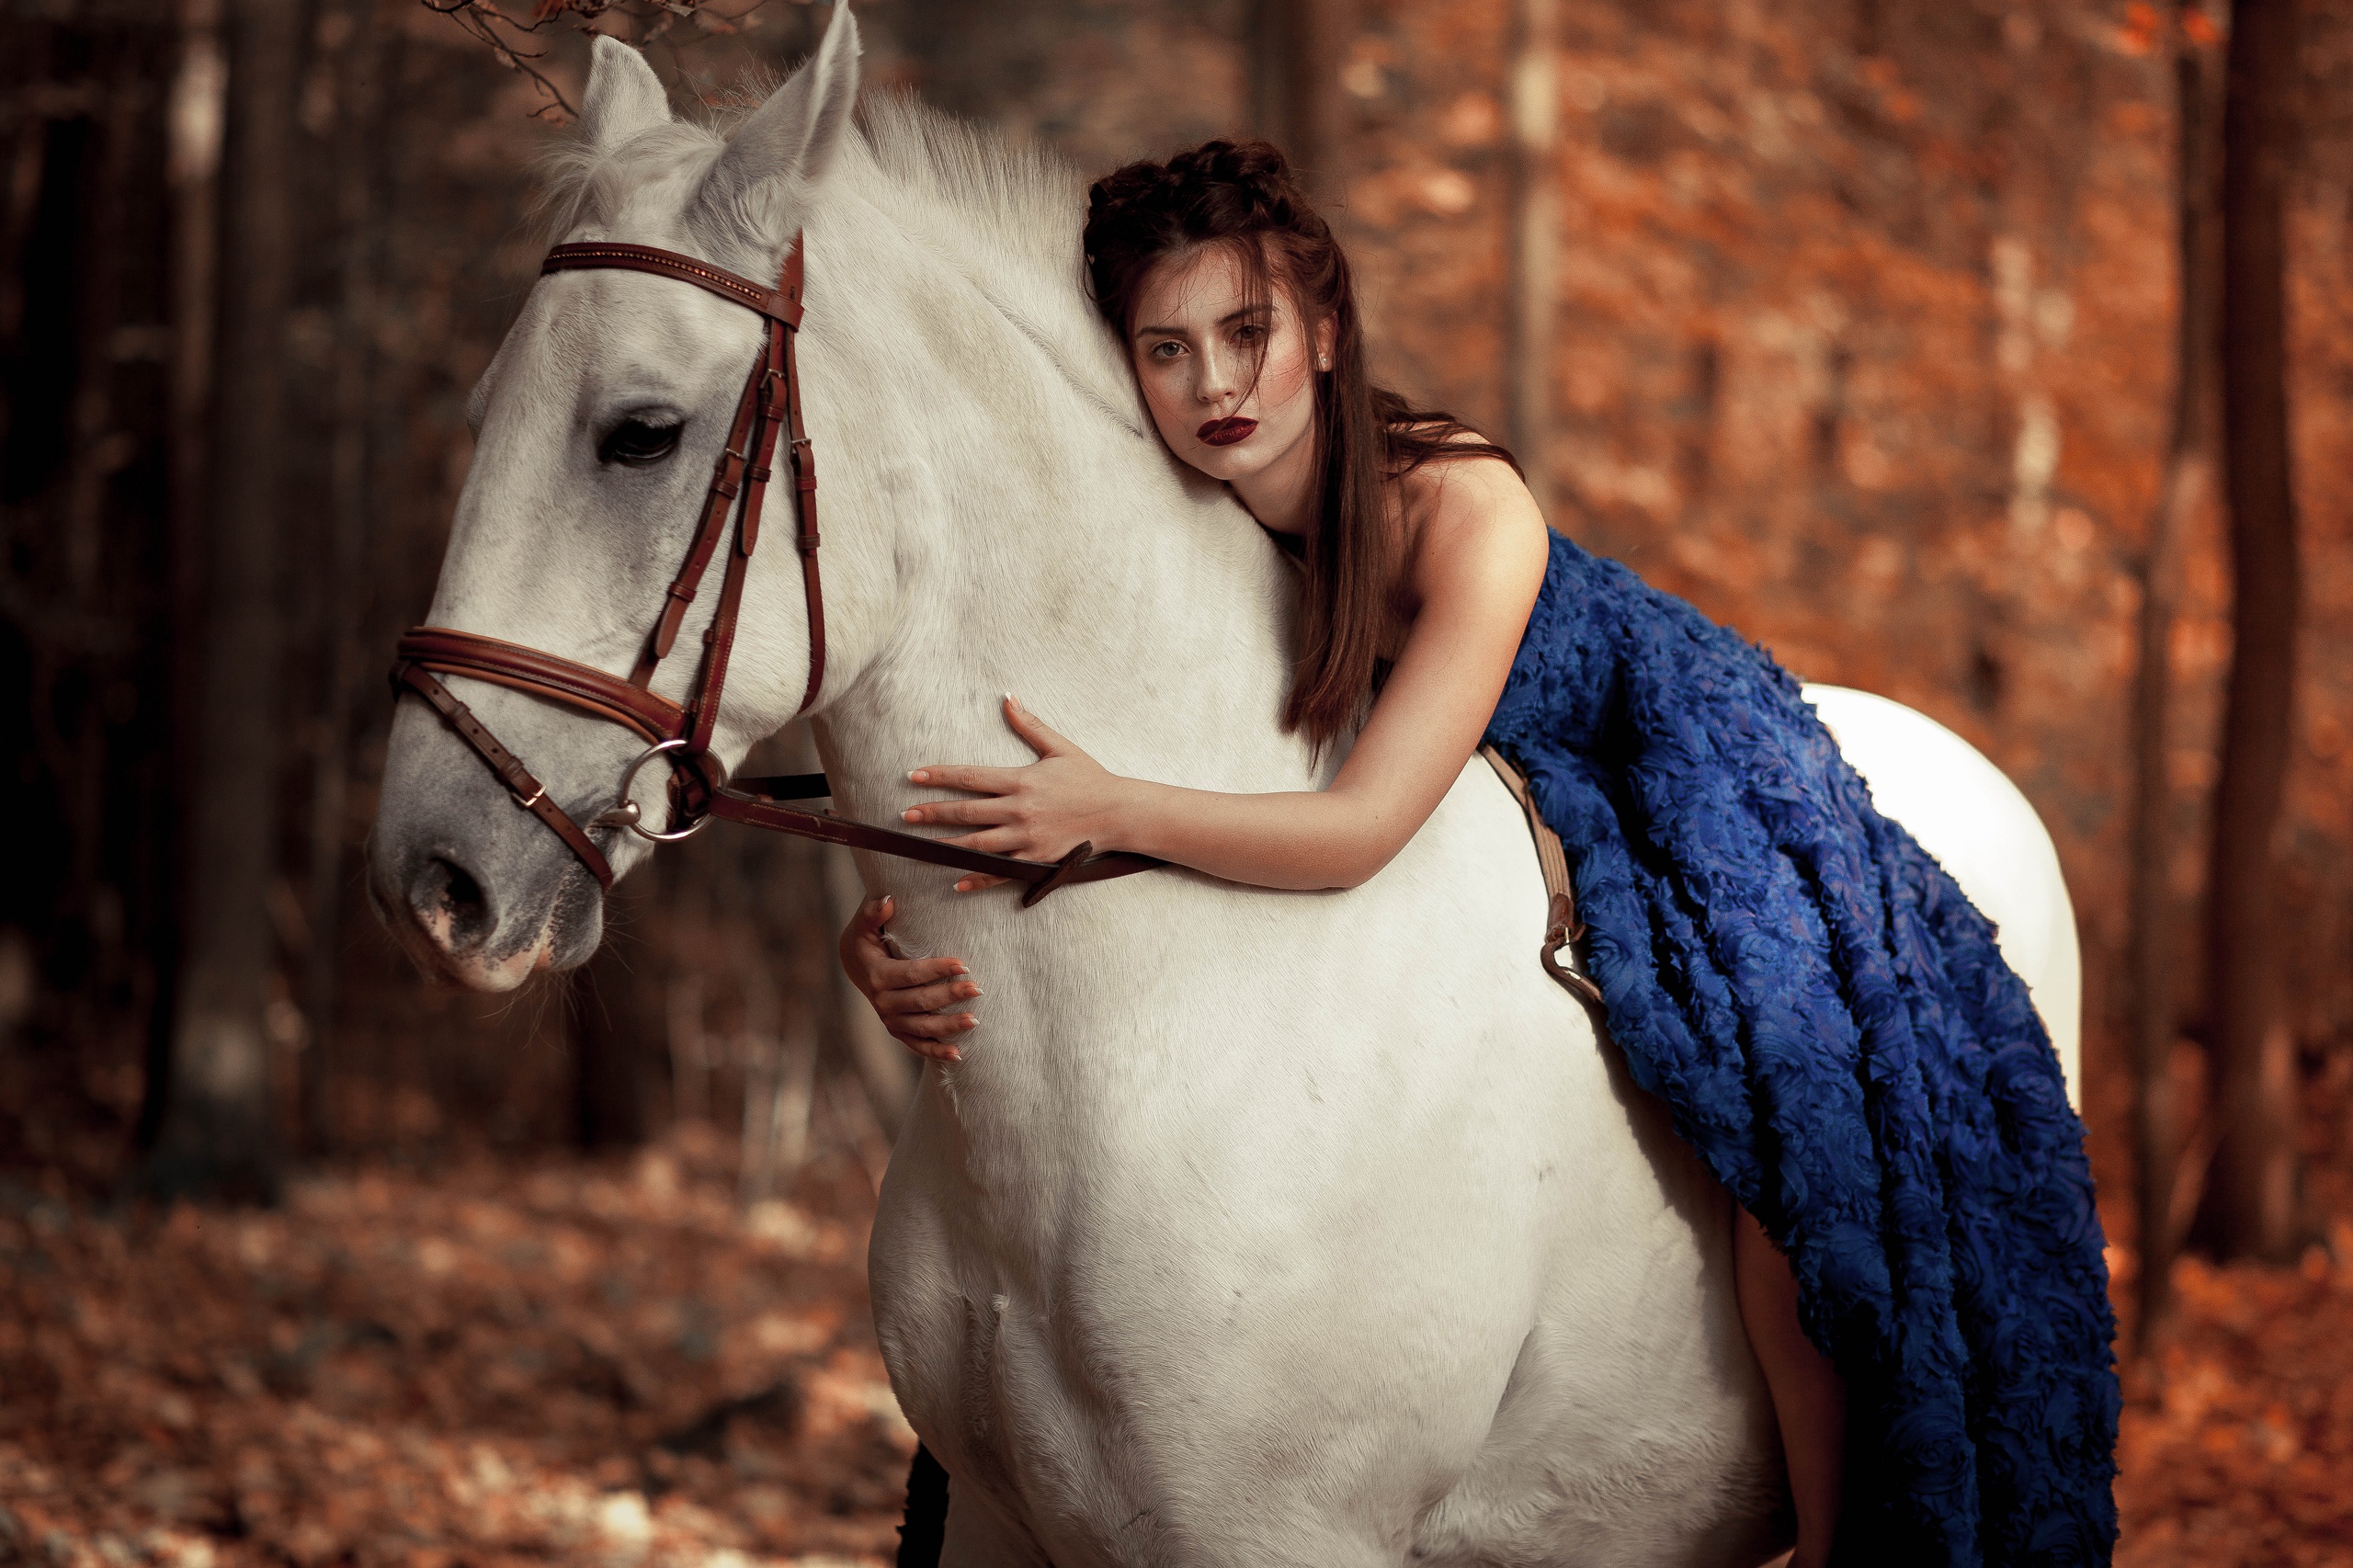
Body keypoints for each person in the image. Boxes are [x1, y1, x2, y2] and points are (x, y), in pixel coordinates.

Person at [840, 142, 2115, 1565]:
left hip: (1663, 761)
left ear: (1323, 331)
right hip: (1484, 783)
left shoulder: (1457, 501)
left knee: (1788, 1092)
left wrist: (1113, 807)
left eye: (1248, 334)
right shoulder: (1182, 513)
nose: (1216, 386)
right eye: (1168, 347)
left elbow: (1357, 828)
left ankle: (1836, 1537)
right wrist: (896, 927)